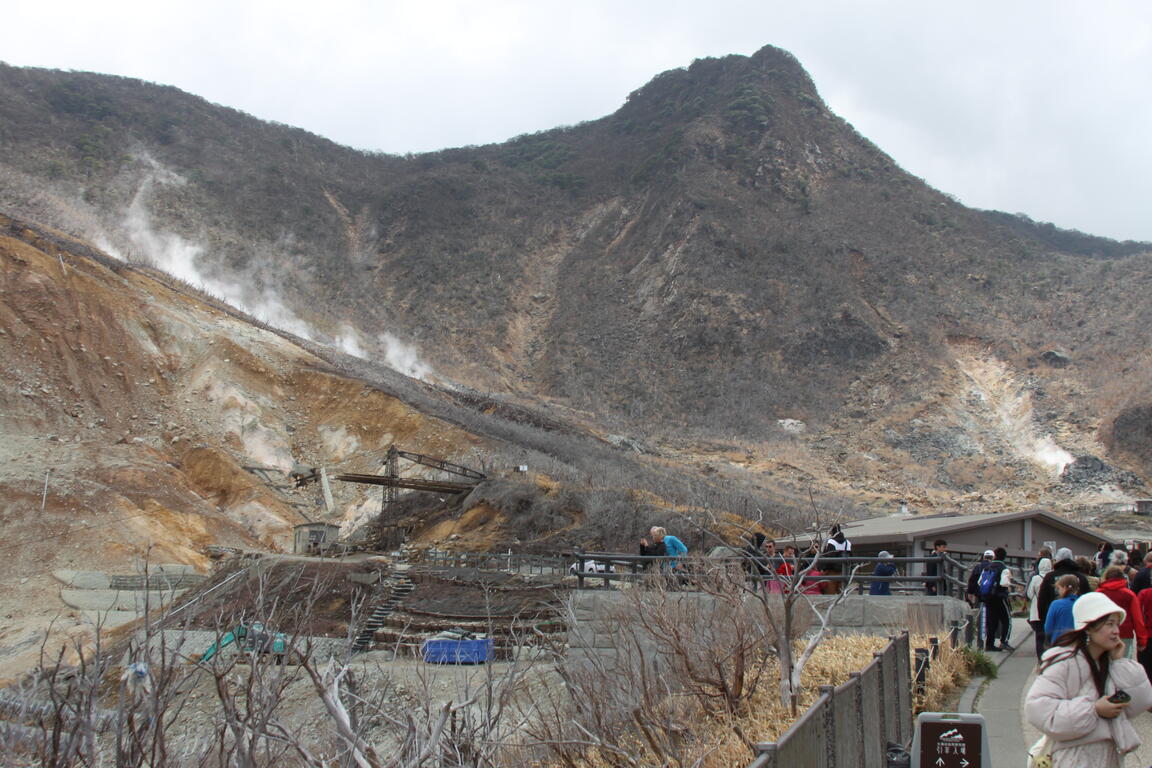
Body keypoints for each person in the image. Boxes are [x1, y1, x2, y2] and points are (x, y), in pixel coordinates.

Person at [1025, 592, 1152, 767]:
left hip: (1108, 758)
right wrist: (1093, 709)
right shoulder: (1064, 662)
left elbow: (1141, 702)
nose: (1116, 631)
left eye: (1117, 624)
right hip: (1073, 759)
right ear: (1089, 628)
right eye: (1109, 624)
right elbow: (1037, 709)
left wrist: (1119, 662)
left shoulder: (1110, 663)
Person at [1096, 566, 1147, 658]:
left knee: (1104, 664)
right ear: (1122, 577)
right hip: (1125, 633)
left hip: (1103, 633)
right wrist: (1141, 640)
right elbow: (1137, 618)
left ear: (1106, 577)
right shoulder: (1129, 594)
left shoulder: (1099, 593)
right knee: (1123, 664)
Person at [1037, 548, 1093, 631]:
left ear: (1057, 560)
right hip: (1077, 623)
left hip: (1054, 622)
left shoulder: (1050, 576)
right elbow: (1088, 599)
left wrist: (1043, 619)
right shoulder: (1081, 577)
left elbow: (1042, 600)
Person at [976, 547, 1014, 651]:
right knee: (1007, 619)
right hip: (1000, 597)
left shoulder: (987, 567)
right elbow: (1004, 583)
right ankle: (1004, 641)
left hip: (988, 598)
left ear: (994, 556)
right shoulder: (1004, 568)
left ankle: (989, 644)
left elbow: (979, 582)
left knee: (992, 621)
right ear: (1004, 557)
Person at [1027, 557, 1054, 658]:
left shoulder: (1035, 578)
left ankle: (1040, 658)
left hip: (1036, 611)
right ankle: (1049, 656)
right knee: (1049, 635)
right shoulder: (1052, 577)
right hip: (1049, 610)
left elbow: (1029, 594)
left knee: (1039, 636)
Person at [1045, 574, 1081, 647]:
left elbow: (1048, 628)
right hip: (1078, 643)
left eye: (1058, 588)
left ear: (1064, 587)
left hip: (1058, 642)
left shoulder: (1056, 604)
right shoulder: (1082, 603)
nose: (1058, 591)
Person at [821, 524, 852, 594]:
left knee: (830, 595)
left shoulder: (831, 542)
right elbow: (851, 558)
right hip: (844, 572)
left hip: (832, 572)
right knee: (842, 595)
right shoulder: (848, 542)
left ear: (832, 531)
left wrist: (825, 570)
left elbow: (829, 558)